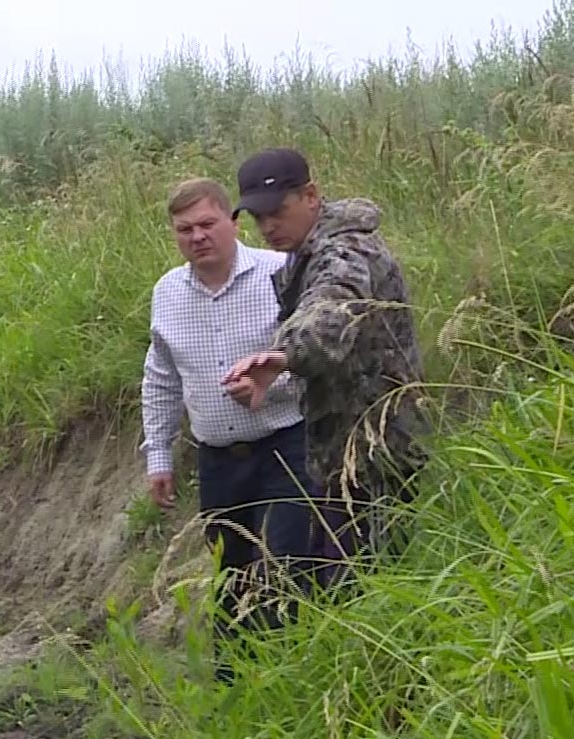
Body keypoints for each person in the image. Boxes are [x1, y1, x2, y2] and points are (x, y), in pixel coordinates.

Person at [223, 148, 430, 585]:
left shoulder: (347, 249)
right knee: (337, 580)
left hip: (378, 454)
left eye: (277, 212)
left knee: (366, 587)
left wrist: (284, 357)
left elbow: (332, 311)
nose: (268, 227)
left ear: (311, 196)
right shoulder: (306, 250)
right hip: (340, 451)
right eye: (258, 219)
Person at [140, 177, 321, 679]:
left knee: (288, 560)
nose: (197, 237)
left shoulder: (280, 272)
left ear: (232, 222)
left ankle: (295, 677)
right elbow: (160, 378)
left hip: (288, 443)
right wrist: (158, 455)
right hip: (219, 456)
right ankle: (234, 686)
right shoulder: (168, 293)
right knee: (231, 571)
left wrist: (272, 385)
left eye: (207, 224)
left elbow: (313, 354)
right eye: (184, 229)